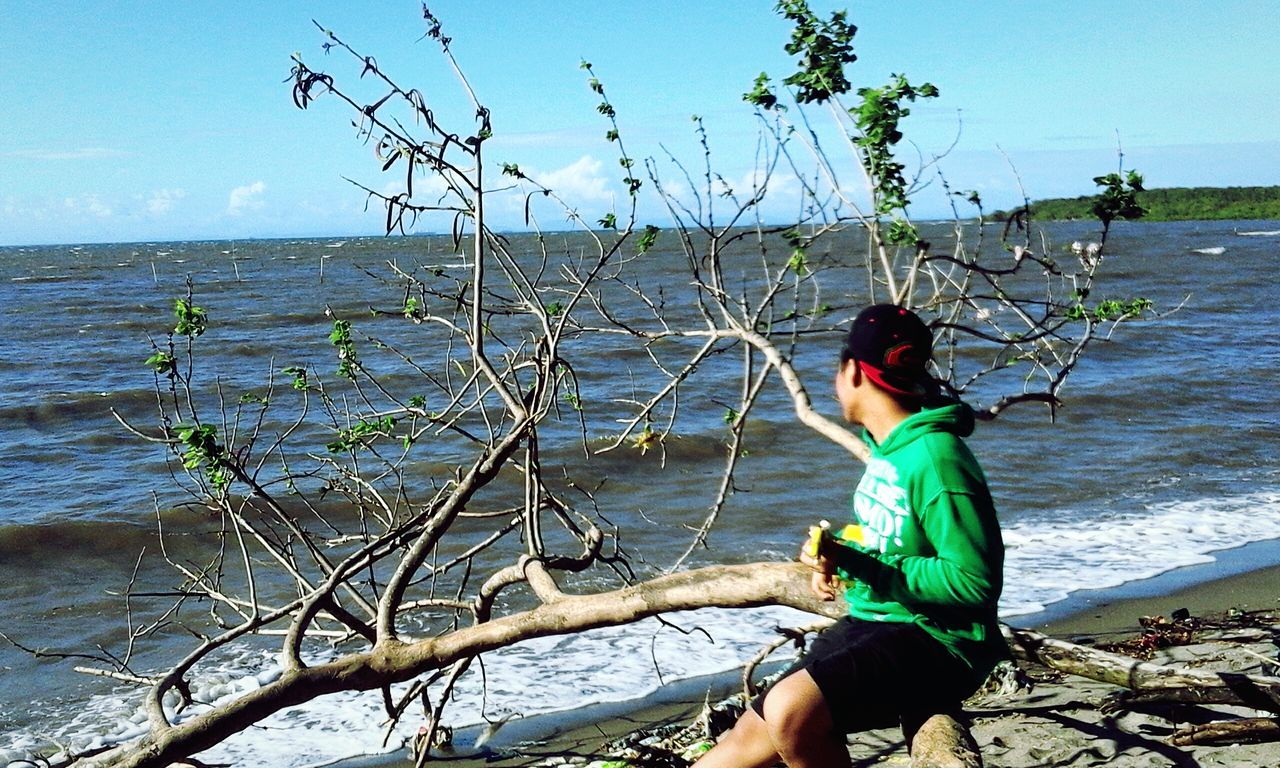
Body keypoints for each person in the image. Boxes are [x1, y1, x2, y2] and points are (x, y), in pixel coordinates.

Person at [694, 304, 1007, 768]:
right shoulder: (891, 451)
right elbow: (895, 537)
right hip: (879, 622)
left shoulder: (937, 457)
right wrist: (840, 553)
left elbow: (973, 580)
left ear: (854, 372)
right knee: (744, 738)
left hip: (940, 639)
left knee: (791, 712)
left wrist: (862, 564)